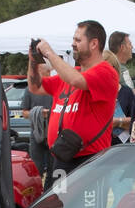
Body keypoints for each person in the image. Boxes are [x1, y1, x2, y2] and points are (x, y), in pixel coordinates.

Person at [28, 20, 119, 187]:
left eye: (78, 40)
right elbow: (35, 87)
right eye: (73, 39)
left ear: (94, 44)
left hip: (90, 161)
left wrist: (49, 53)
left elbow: (76, 80)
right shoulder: (70, 74)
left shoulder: (105, 72)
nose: (73, 44)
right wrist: (34, 61)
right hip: (61, 157)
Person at [100, 49, 134, 145]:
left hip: (122, 148)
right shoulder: (92, 93)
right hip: (99, 149)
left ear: (114, 68)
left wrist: (118, 122)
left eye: (104, 68)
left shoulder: (126, 92)